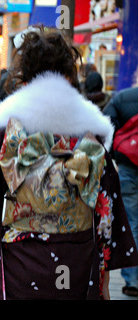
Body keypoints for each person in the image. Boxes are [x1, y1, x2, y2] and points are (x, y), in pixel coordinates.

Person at [0, 27, 138, 300]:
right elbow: (106, 209)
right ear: (69, 73)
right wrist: (103, 279)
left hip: (21, 257)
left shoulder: (10, 126)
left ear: (24, 74)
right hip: (77, 257)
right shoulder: (89, 128)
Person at [103, 86, 138, 297]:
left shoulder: (122, 98)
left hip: (127, 168)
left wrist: (119, 150)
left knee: (133, 221)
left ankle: (132, 279)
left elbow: (106, 126)